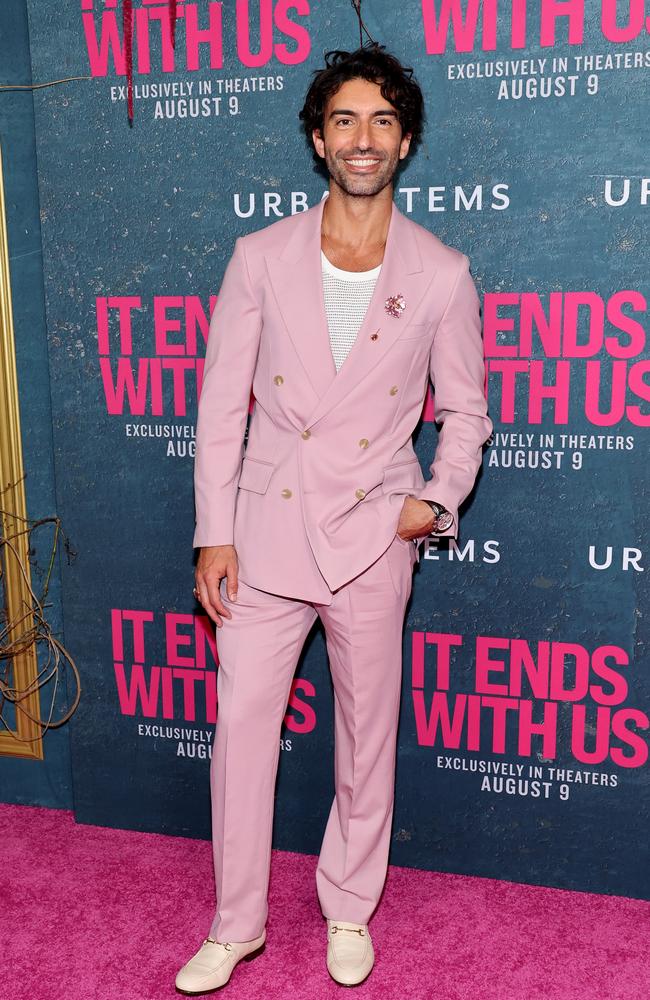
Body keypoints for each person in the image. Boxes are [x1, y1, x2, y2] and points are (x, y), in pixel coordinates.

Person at [176, 43, 492, 994]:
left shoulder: (440, 271)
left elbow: (468, 411)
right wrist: (212, 531)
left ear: (405, 143)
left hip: (369, 535)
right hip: (264, 533)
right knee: (240, 734)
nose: (363, 139)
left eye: (382, 122)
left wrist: (431, 503)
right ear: (320, 140)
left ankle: (349, 907)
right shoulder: (260, 255)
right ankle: (236, 925)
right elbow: (221, 402)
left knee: (367, 733)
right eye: (345, 121)